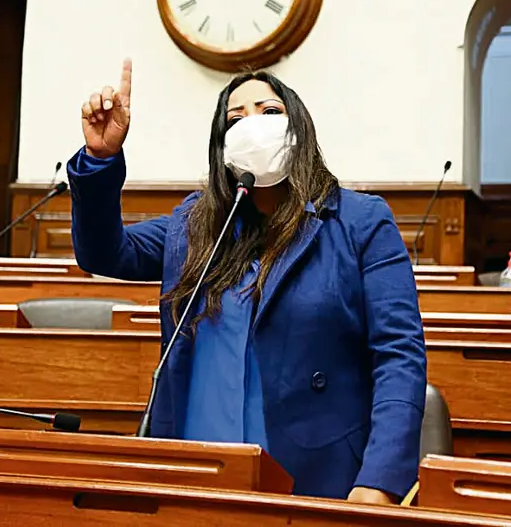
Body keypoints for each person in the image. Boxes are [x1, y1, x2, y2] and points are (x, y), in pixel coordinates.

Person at [66, 59, 427, 503]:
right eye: (235, 119)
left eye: (269, 112)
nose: (252, 126)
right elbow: (103, 252)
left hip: (314, 476)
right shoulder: (194, 225)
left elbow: (398, 355)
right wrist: (100, 160)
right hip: (195, 468)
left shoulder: (359, 222)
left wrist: (381, 480)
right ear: (223, 146)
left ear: (299, 128)